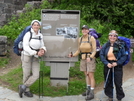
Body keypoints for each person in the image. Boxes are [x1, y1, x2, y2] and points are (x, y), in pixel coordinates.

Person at [18, 20, 47, 98]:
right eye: (34, 25)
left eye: (37, 25)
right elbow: (26, 47)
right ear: (32, 26)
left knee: (36, 75)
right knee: (26, 74)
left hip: (36, 57)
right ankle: (26, 91)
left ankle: (23, 87)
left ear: (39, 26)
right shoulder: (28, 34)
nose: (36, 26)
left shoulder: (40, 35)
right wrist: (35, 53)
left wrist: (42, 50)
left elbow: (42, 44)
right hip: (27, 56)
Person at [69, 25, 96, 100]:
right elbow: (78, 50)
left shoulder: (91, 38)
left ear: (88, 31)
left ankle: (92, 92)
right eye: (83, 29)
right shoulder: (80, 39)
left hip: (90, 58)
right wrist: (73, 55)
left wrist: (90, 57)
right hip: (83, 59)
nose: (84, 31)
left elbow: (94, 50)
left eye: (86, 29)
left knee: (90, 75)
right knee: (86, 75)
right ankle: (88, 89)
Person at [100, 30, 127, 101]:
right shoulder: (105, 45)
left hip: (117, 65)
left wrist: (117, 63)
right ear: (108, 36)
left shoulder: (120, 46)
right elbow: (101, 55)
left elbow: (124, 56)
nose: (112, 37)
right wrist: (106, 63)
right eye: (111, 35)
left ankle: (119, 97)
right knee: (108, 81)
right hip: (108, 64)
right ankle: (110, 96)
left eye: (114, 35)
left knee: (118, 83)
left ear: (116, 37)